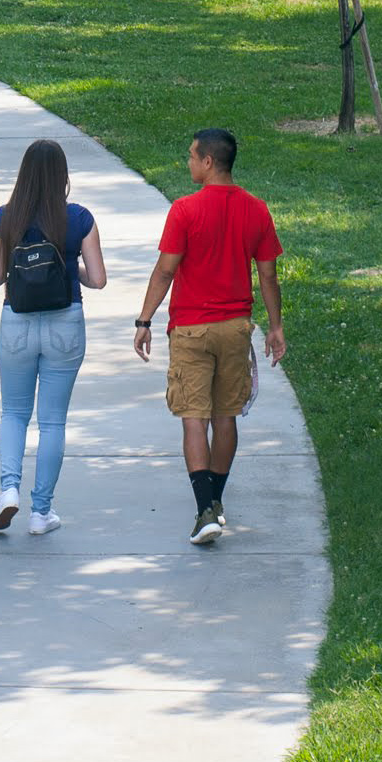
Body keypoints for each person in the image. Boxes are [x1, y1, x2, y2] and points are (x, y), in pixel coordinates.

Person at [131, 128, 285, 546]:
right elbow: (267, 275)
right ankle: (215, 502)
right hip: (236, 328)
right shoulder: (256, 209)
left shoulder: (185, 210)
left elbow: (166, 270)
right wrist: (275, 327)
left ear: (208, 162)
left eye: (191, 156)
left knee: (194, 417)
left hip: (191, 329)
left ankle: (204, 511)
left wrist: (144, 320)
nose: (188, 162)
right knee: (226, 415)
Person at [0, 139, 107, 537]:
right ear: (63, 177)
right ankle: (41, 512)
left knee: (13, 413)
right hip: (65, 321)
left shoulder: (4, 218)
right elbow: (99, 279)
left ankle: (8, 490)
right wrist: (73, 272)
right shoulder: (79, 218)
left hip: (16, 322)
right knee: (52, 422)